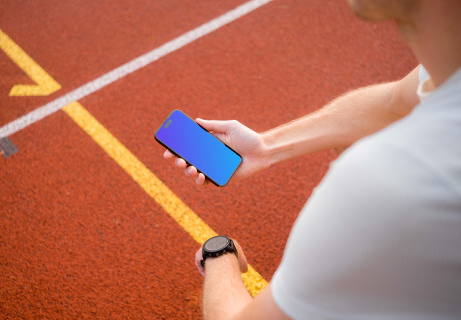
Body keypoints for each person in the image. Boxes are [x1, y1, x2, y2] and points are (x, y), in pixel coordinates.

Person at [163, 0, 461, 319]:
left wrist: (219, 252)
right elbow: (392, 102)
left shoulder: (384, 179)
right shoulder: (447, 68)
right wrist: (267, 146)